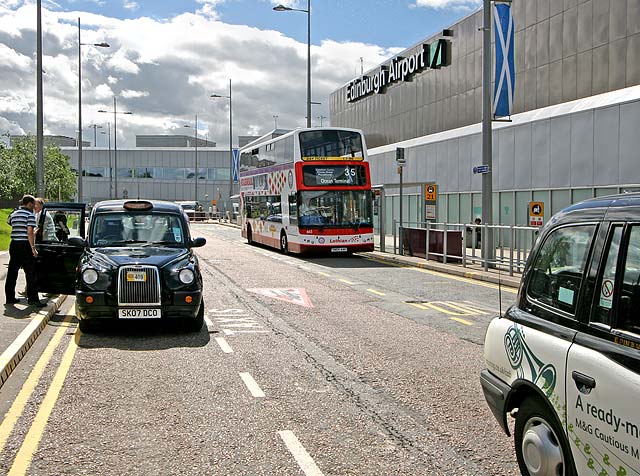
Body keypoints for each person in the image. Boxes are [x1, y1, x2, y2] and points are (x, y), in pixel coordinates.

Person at [5, 195, 45, 307]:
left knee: (12, 272)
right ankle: (33, 299)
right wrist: (33, 248)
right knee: (31, 272)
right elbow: (29, 232)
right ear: (29, 203)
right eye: (33, 204)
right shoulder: (29, 215)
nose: (34, 206)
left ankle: (10, 298)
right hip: (25, 245)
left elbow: (9, 221)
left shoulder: (14, 213)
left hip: (14, 244)